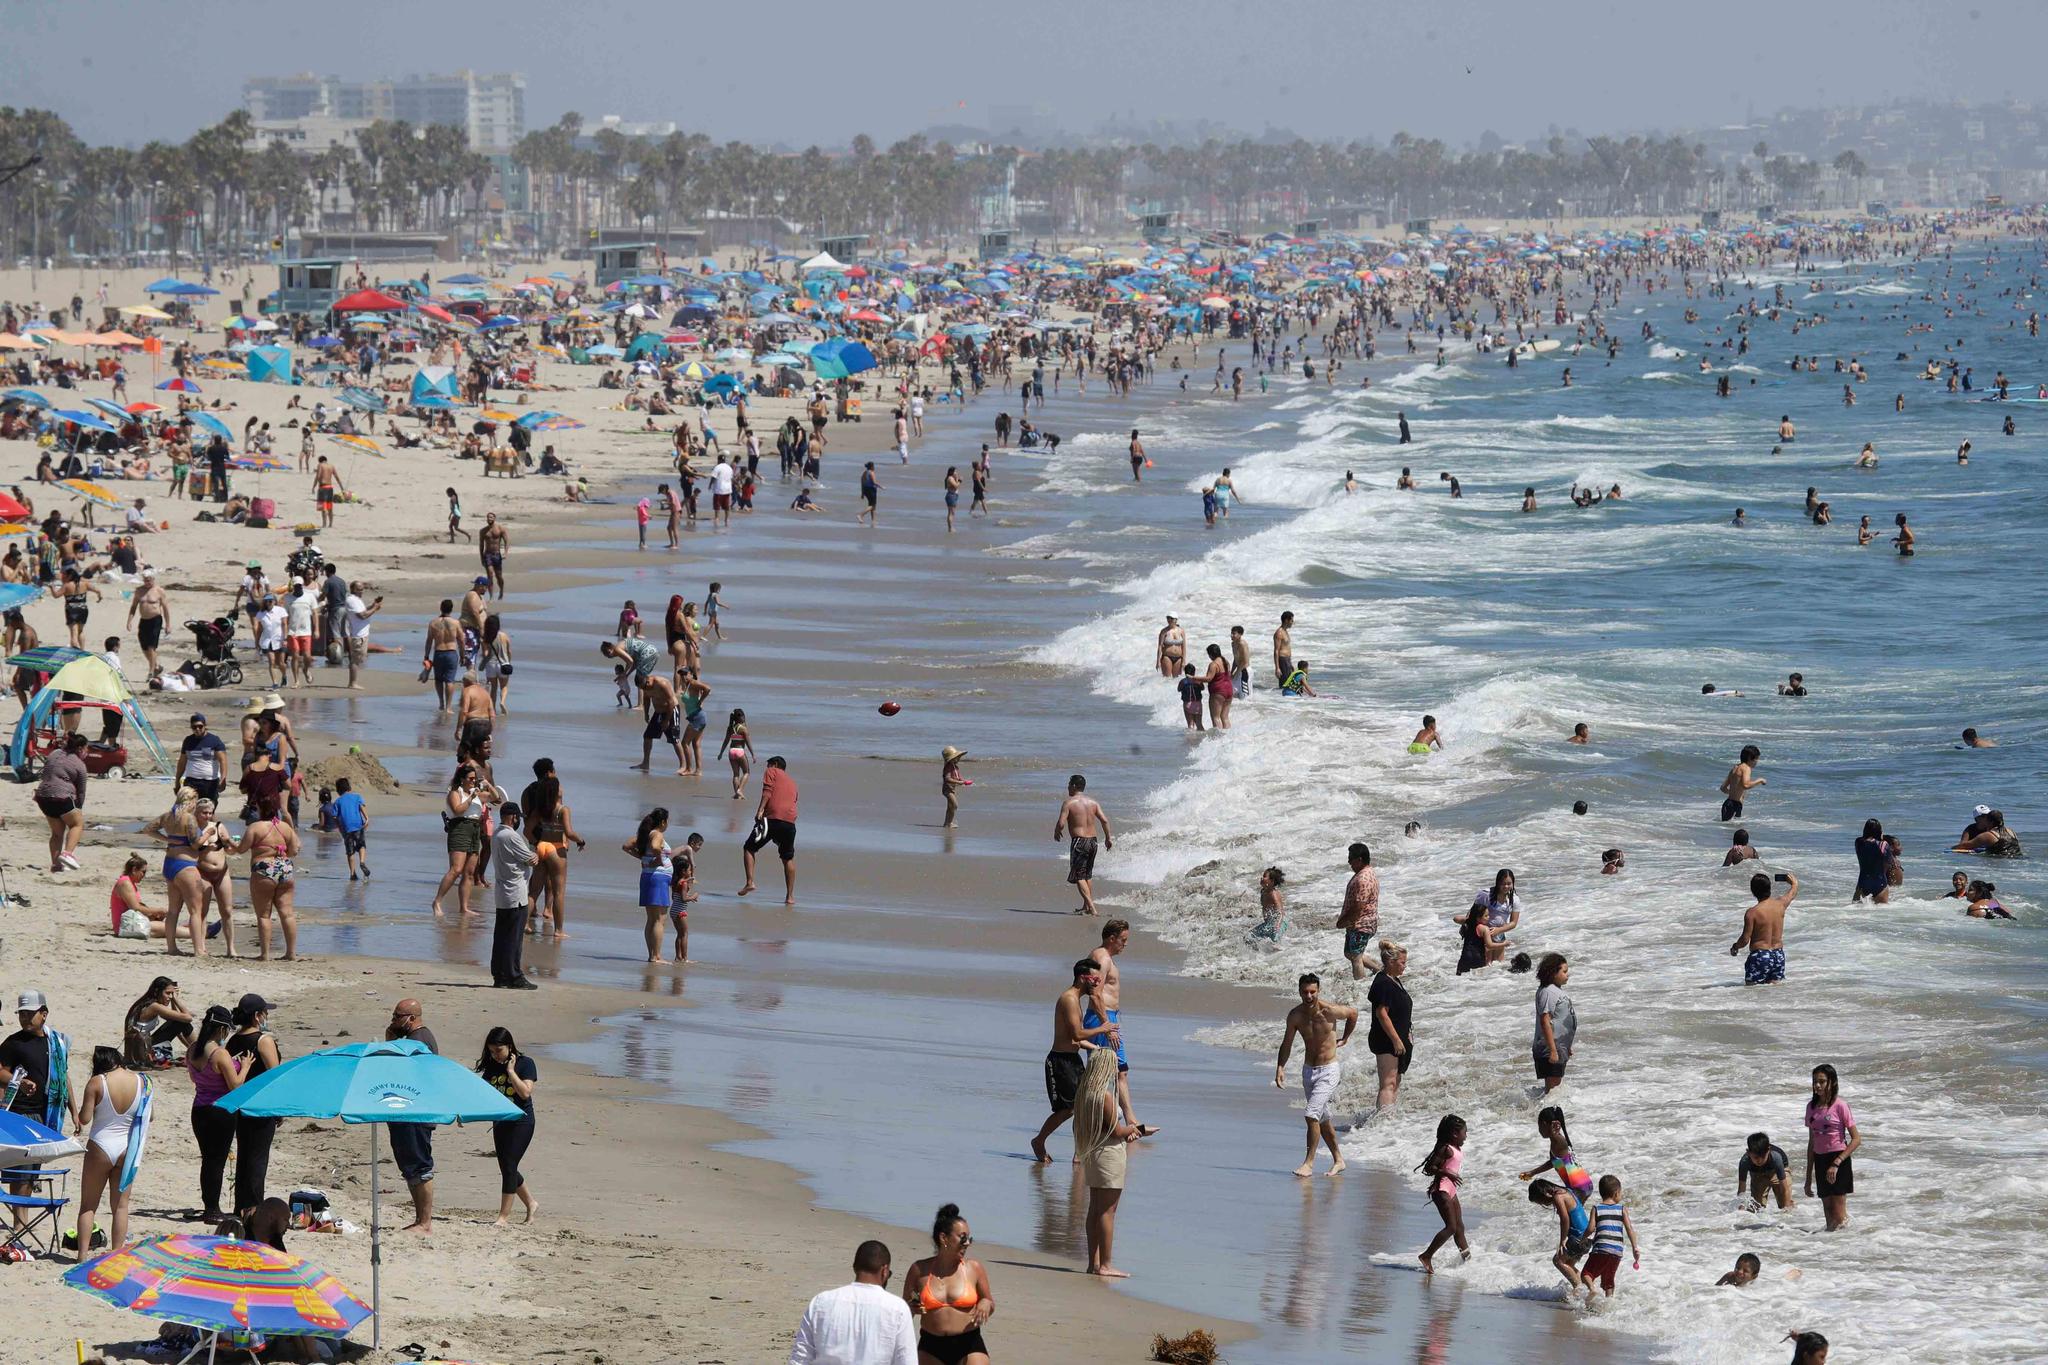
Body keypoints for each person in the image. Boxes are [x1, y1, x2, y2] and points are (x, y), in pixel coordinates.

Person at [1028, 959, 1119, 1162]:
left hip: (1073, 1059)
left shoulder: (1076, 999)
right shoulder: (1068, 999)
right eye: (1094, 979)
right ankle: (1039, 1140)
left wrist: (1097, 1047)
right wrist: (1103, 1028)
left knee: (1084, 1106)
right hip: (1059, 1062)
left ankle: (1079, 1153)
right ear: (1082, 978)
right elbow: (1077, 1034)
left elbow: (1073, 1039)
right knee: (1067, 1110)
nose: (1097, 984)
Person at [1275, 973, 1357, 1177]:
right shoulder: (1295, 1015)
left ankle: (1308, 1164)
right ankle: (1339, 1159)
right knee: (1322, 1118)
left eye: (1313, 991)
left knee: (1311, 1114)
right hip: (1308, 1071)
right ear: (1299, 992)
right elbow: (1287, 1043)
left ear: (1318, 991)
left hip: (1329, 1070)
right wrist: (1280, 1067)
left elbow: (1353, 1013)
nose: (1309, 996)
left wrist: (1345, 1037)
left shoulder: (1329, 1011)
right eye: (1305, 992)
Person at [788, 1240, 917, 1365]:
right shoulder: (897, 1308)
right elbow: (906, 1359)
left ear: (855, 1267)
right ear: (884, 1270)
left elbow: (800, 1357)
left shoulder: (821, 1302)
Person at [1087, 919, 1158, 1140]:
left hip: (1111, 1018)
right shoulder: (1102, 958)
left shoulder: (1106, 958)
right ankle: (1106, 1124)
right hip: (1102, 1020)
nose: (1125, 945)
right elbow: (1095, 993)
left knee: (1121, 1071)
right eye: (1123, 940)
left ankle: (1131, 1123)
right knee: (1102, 1073)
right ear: (1112, 938)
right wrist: (1107, 1027)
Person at [71, 1046, 144, 1260]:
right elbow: (149, 1117)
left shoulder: (97, 1082)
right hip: (127, 1147)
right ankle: (116, 1254)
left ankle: (82, 1254)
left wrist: (77, 1115)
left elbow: (84, 1119)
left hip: (101, 1145)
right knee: (121, 1207)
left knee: (88, 1205)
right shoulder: (141, 1081)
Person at [902, 1204, 995, 1364]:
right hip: (931, 1345)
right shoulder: (919, 1269)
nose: (967, 1243)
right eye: (963, 1237)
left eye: (969, 1238)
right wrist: (911, 1306)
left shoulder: (974, 1268)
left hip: (969, 1343)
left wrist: (986, 1304)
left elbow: (989, 1301)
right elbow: (903, 1310)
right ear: (944, 1238)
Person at [1072, 1043, 1135, 1278]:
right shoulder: (1105, 1096)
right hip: (1109, 1155)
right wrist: (1136, 1129)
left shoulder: (1085, 1093)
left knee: (1095, 1209)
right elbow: (1116, 1131)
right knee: (1108, 1211)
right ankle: (1106, 1264)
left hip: (1093, 1153)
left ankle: (1093, 1262)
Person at [187, 1005, 247, 1223]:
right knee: (216, 1161)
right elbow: (236, 1086)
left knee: (208, 1160)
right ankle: (212, 1209)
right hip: (219, 1111)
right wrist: (245, 1066)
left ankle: (209, 1206)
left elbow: (196, 1078)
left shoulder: (193, 1049)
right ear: (222, 1029)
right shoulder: (220, 1054)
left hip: (199, 1109)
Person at [386, 998, 439, 1232]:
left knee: (420, 1165)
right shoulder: (411, 1040)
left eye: (398, 1016)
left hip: (416, 1111)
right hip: (407, 1110)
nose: (393, 1020)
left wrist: (390, 1043)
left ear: (411, 1018)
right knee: (410, 1166)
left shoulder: (418, 1041)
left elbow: (405, 1072)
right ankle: (420, 1219)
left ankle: (425, 1221)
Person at [225, 994, 280, 1217]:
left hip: (240, 1105)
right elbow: (275, 1076)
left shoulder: (233, 1041)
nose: (266, 1016)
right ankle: (254, 1207)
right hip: (261, 1105)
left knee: (245, 1156)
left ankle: (242, 1206)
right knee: (258, 1159)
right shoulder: (263, 1040)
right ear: (258, 1016)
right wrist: (278, 1109)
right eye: (265, 1013)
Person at [477, 1026, 539, 1225]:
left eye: (499, 1050)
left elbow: (525, 1093)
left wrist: (511, 1071)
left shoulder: (526, 1064)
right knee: (506, 1167)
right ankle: (530, 1203)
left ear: (509, 1046)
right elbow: (481, 1096)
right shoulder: (491, 1068)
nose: (495, 1055)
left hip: (522, 1121)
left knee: (510, 1165)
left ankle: (503, 1216)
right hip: (501, 1122)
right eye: (491, 1051)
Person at [236, 795, 300, 961]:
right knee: (287, 913)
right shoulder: (285, 827)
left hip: (263, 869)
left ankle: (265, 954)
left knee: (264, 915)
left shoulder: (255, 827)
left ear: (259, 808)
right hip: (285, 868)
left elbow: (241, 849)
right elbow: (293, 851)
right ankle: (291, 953)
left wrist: (229, 842)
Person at [1804, 1063, 1859, 1231]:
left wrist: (1836, 1163)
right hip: (1820, 1160)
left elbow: (1856, 1139)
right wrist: (1808, 1179)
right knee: (1828, 1212)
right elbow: (1812, 1143)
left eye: (1821, 1081)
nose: (1817, 1085)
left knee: (1838, 1213)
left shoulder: (1840, 1105)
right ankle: (1830, 1249)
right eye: (1815, 1081)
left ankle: (1847, 1244)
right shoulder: (1811, 1107)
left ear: (1832, 1082)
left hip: (1838, 1159)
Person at [490, 802, 539, 988]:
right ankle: (513, 976)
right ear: (513, 817)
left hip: (503, 892)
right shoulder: (511, 836)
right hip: (515, 893)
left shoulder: (496, 834)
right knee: (513, 938)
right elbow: (530, 859)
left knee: (502, 936)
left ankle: (500, 976)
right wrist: (534, 855)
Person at [740, 755, 798, 904]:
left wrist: (760, 810)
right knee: (788, 858)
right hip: (789, 823)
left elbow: (767, 791)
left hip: (770, 819)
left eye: (769, 765)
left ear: (776, 764)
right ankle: (790, 896)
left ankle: (750, 882)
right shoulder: (793, 782)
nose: (767, 768)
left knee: (749, 847)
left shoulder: (772, 771)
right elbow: (793, 802)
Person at [1417, 1114, 1469, 1272]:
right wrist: (1448, 1173)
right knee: (1451, 1227)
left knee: (1459, 1227)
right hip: (1441, 1190)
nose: (1466, 1136)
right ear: (1454, 1133)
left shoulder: (1456, 1148)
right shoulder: (1445, 1148)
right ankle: (1426, 1256)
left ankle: (1468, 1261)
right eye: (1464, 1133)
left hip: (1451, 1190)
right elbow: (1429, 1168)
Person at [1053, 773, 1111, 915]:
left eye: (1068, 784)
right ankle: (1086, 906)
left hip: (1079, 842)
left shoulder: (1069, 803)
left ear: (1073, 786)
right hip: (1093, 842)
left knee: (1079, 876)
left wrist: (1057, 831)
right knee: (1087, 875)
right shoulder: (1093, 802)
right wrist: (1108, 838)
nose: (1067, 787)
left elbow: (1061, 822)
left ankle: (1092, 908)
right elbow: (1104, 820)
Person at [626, 808, 677, 964]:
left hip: (648, 876)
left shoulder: (645, 835)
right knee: (659, 919)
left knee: (652, 919)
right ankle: (656, 955)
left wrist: (643, 858)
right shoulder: (657, 834)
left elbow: (626, 846)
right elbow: (655, 847)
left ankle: (652, 955)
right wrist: (659, 859)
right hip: (658, 878)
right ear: (663, 822)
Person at [35, 732, 90, 871]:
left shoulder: (54, 753)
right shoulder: (80, 765)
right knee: (77, 824)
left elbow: (46, 771)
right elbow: (81, 791)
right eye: (86, 749)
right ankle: (67, 854)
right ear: (80, 749)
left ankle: (56, 864)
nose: (87, 752)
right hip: (62, 796)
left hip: (42, 796)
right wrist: (78, 808)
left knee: (57, 832)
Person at [1731, 871, 1797, 985]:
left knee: (1752, 992)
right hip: (1778, 955)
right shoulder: (1780, 905)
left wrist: (1735, 947)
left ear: (1753, 891)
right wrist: (1794, 883)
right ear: (1769, 888)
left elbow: (1745, 940)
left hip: (1760, 956)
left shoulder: (1752, 913)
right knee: (1775, 993)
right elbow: (1792, 893)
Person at [1580, 1174, 1640, 1300]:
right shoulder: (1622, 1209)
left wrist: (1582, 1238)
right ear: (1616, 1193)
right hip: (1617, 1251)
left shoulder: (1596, 1208)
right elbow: (1630, 1229)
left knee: (1586, 1274)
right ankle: (1609, 1303)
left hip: (1601, 1248)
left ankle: (1592, 1290)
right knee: (1608, 1281)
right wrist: (1635, 1248)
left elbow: (1591, 1228)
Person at [1527, 1176, 1590, 1293]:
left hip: (1578, 1237)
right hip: (1587, 1237)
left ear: (1545, 1193)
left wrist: (1562, 1240)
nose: (1544, 1204)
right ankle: (1588, 1289)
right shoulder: (1567, 1191)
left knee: (1558, 1261)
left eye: (1541, 1201)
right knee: (1569, 1264)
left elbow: (1564, 1219)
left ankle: (1578, 1290)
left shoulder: (1558, 1196)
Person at [1337, 842, 1381, 978]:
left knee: (1355, 957)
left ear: (1359, 859)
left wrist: (1344, 921)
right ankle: (1379, 970)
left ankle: (1359, 988)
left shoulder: (1363, 878)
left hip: (1361, 924)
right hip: (1361, 922)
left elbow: (1358, 906)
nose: (1349, 861)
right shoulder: (1366, 873)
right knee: (1350, 954)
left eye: (1351, 858)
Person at [1533, 953, 1576, 1091]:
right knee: (1553, 1090)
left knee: (1554, 1090)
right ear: (1553, 973)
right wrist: (1552, 1050)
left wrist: (1566, 1046)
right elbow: (1545, 1021)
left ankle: (1548, 1109)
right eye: (1564, 972)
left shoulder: (1555, 991)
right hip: (1549, 1049)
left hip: (1558, 1047)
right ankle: (1548, 1111)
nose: (1567, 975)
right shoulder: (1548, 992)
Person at [175, 713, 228, 804]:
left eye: (200, 726)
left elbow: (223, 760)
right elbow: (182, 762)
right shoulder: (188, 741)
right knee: (189, 807)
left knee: (208, 810)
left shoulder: (214, 740)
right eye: (194, 727)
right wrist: (177, 782)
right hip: (191, 781)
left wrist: (223, 779)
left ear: (205, 726)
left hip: (210, 782)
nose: (197, 729)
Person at [1739, 1131, 1796, 1210]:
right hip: (1758, 1174)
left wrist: (1786, 1210)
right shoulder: (1745, 1161)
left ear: (1768, 1150)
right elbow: (1741, 1190)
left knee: (1786, 1204)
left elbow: (1784, 1188)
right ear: (1748, 1152)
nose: (1759, 1160)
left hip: (1777, 1172)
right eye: (1756, 1157)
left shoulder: (1776, 1157)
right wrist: (1740, 1209)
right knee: (1756, 1207)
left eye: (1763, 1156)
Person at [332, 776, 370, 880]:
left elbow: (334, 817)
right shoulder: (357, 797)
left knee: (350, 851)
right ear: (349, 787)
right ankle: (362, 862)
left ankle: (352, 874)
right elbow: (361, 807)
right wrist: (367, 818)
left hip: (346, 829)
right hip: (358, 825)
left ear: (338, 790)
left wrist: (340, 827)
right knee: (361, 845)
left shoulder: (337, 802)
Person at [1720, 744, 1764, 821]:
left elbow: (1723, 788)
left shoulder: (1735, 767)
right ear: (1750, 758)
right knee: (1734, 830)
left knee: (1727, 830)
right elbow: (1745, 785)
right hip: (1735, 805)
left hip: (1727, 804)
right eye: (1757, 759)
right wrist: (1759, 781)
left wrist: (1733, 793)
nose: (1757, 762)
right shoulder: (1746, 768)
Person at [1852, 819, 1892, 904]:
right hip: (1880, 883)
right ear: (1879, 831)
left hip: (1863, 882)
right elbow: (1887, 864)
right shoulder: (1884, 844)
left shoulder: (1858, 842)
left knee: (1858, 912)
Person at [1248, 866, 1288, 946]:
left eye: (1264, 876)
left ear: (1272, 881)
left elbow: (1280, 912)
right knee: (1249, 937)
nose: (1261, 878)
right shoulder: (1263, 891)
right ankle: (1259, 954)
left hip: (1279, 923)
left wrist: (1277, 925)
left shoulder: (1273, 894)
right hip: (1269, 923)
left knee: (1274, 942)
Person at [939, 745, 968, 827]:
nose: (958, 759)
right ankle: (949, 823)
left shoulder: (955, 767)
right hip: (947, 790)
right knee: (954, 805)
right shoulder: (948, 767)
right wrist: (959, 783)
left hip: (952, 789)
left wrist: (963, 781)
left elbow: (958, 777)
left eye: (959, 757)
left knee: (950, 807)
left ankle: (947, 823)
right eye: (957, 757)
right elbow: (947, 779)